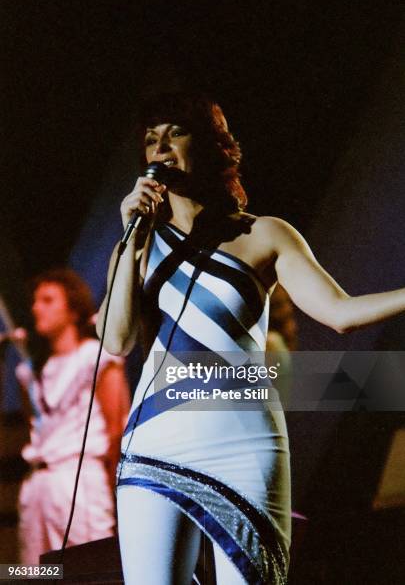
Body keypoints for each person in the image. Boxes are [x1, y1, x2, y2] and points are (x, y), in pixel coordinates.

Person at [98, 92, 405, 585]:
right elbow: (115, 341)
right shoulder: (135, 244)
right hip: (155, 440)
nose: (161, 147)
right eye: (152, 139)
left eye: (176, 132)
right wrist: (129, 237)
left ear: (211, 145)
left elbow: (340, 314)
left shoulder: (265, 234)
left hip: (243, 444)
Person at [16, 268, 130, 564]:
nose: (36, 307)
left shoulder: (95, 357)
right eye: (35, 301)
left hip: (81, 480)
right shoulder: (30, 371)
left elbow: (117, 427)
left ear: (73, 310)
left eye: (48, 300)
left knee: (85, 568)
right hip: (39, 482)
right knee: (34, 571)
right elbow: (36, 426)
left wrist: (120, 495)